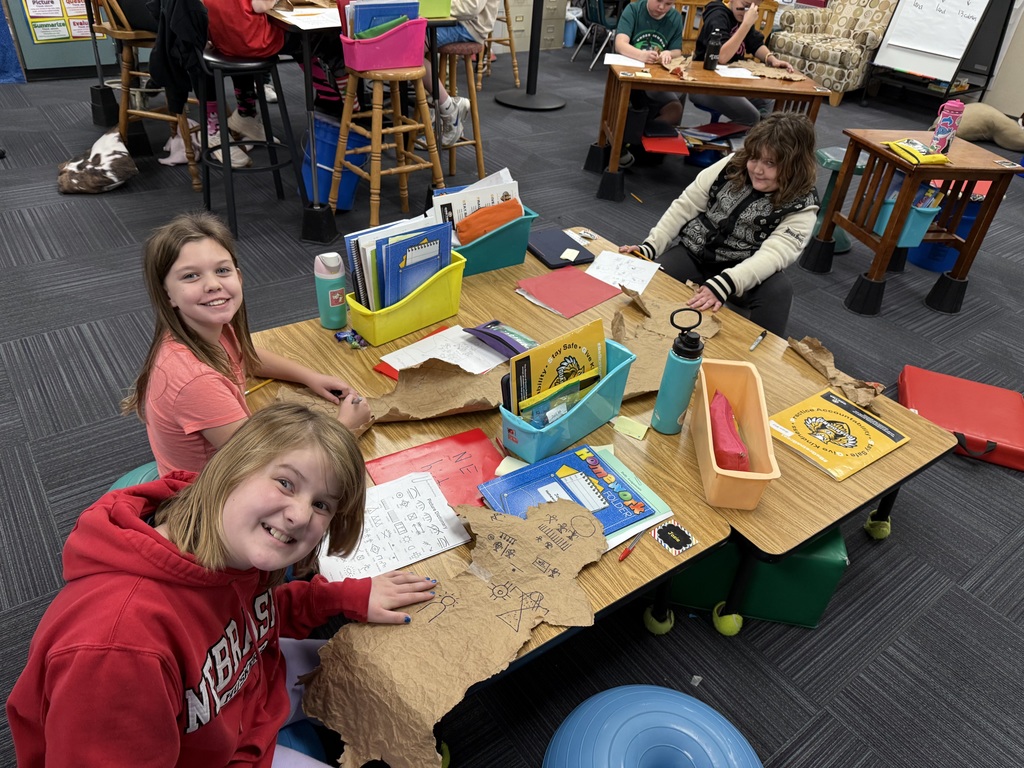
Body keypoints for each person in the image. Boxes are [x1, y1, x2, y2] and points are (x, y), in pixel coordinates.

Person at [6, 403, 437, 767]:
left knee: (379, 672)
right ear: (232, 469)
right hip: (218, 743)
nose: (301, 516)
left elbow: (253, 616)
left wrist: (346, 595)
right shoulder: (118, 651)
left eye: (321, 504)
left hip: (246, 689)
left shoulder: (229, 532)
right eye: (285, 483)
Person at [122, 212, 372, 476]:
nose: (213, 284)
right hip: (206, 497)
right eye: (191, 276)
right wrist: (345, 427)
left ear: (238, 277)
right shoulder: (195, 381)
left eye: (222, 270)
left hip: (227, 464)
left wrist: (310, 377)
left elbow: (247, 356)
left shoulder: (206, 328)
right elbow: (270, 470)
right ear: (166, 293)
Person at [619, 112, 818, 337]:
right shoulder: (733, 163)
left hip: (742, 267)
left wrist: (725, 283)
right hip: (696, 253)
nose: (758, 169)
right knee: (645, 289)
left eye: (770, 163)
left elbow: (775, 255)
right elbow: (685, 205)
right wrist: (650, 247)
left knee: (778, 290)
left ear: (794, 166)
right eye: (754, 158)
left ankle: (764, 358)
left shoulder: (804, 203)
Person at [203, 0, 350, 166]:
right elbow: (261, 6)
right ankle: (342, 100)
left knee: (303, 40)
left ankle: (327, 94)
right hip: (253, 42)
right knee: (320, 39)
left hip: (223, 39)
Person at [692, 0, 795, 126]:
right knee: (751, 117)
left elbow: (755, 43)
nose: (748, 11)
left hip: (731, 82)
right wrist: (746, 24)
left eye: (754, 7)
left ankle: (756, 137)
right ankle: (726, 141)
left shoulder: (740, 16)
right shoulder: (717, 14)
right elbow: (721, 57)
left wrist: (772, 59)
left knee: (768, 101)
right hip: (705, 84)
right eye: (746, 6)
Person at [421, 0, 502, 147]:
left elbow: (471, 7)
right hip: (457, 21)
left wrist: (429, 7)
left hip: (468, 26)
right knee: (406, 44)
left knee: (409, 51)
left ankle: (448, 110)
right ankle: (442, 107)